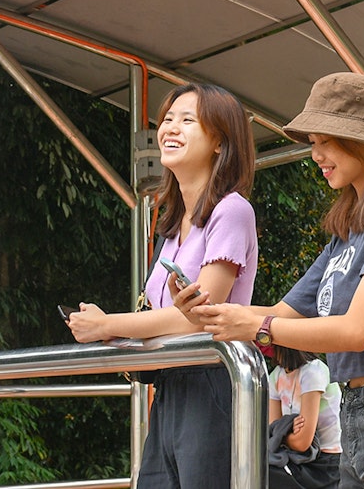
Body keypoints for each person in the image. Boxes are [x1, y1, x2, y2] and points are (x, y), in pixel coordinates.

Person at [175, 72, 364, 488]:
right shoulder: (348, 231)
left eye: (326, 141)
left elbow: (357, 330)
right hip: (358, 414)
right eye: (312, 143)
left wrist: (257, 326)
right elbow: (279, 313)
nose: (316, 155)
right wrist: (208, 312)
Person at [68, 82, 257, 489]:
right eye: (168, 119)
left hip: (212, 381)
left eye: (188, 120)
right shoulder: (173, 225)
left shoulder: (232, 211)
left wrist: (108, 325)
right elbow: (161, 315)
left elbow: (197, 320)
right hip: (171, 387)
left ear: (220, 143)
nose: (170, 128)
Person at [266, 344, 342, 489]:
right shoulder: (276, 375)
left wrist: (283, 434)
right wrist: (286, 431)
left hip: (326, 464)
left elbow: (302, 443)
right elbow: (273, 432)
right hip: (295, 458)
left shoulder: (313, 372)